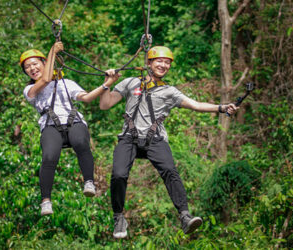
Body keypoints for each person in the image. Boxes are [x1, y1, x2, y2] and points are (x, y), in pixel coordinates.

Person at [99, 46, 239, 238]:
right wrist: (108, 84)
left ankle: (184, 215)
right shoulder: (130, 82)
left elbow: (196, 105)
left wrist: (222, 107)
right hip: (129, 138)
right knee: (118, 174)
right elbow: (105, 104)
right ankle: (119, 217)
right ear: (148, 63)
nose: (164, 65)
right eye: (160, 61)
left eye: (167, 62)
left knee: (170, 171)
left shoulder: (169, 92)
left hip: (154, 139)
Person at [21, 42, 109, 216]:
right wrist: (52, 51)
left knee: (81, 142)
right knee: (49, 156)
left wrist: (107, 84)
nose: (32, 68)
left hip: (73, 121)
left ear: (44, 63)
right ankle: (45, 200)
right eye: (27, 67)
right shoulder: (30, 90)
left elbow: (87, 98)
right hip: (50, 125)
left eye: (35, 64)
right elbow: (45, 79)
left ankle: (89, 182)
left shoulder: (66, 83)